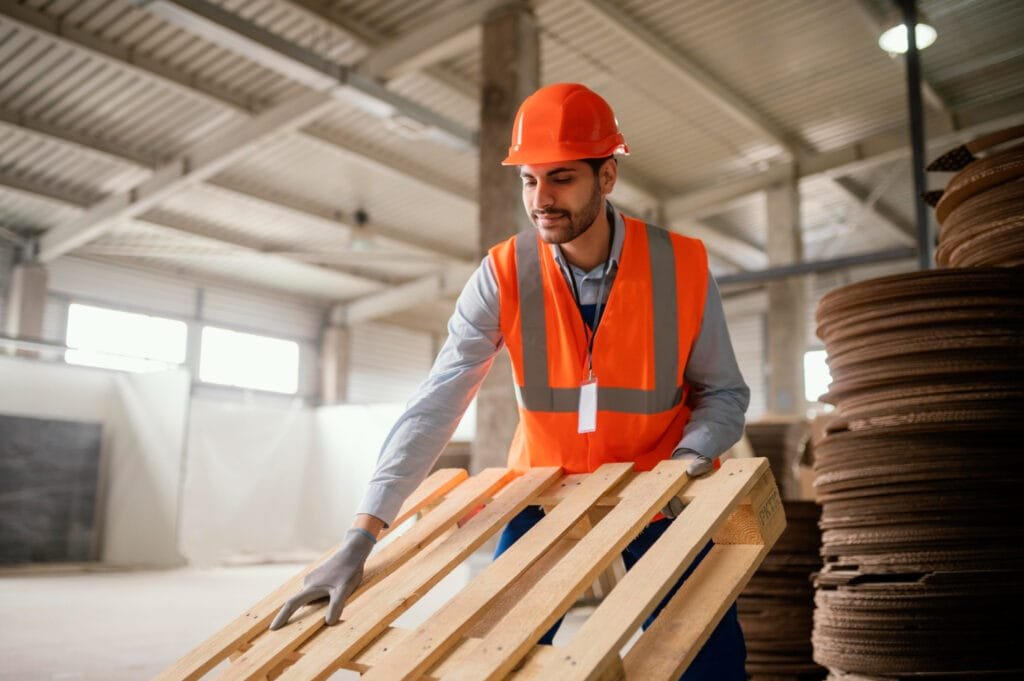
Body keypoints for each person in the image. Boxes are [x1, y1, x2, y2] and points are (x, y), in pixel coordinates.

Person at [270, 82, 750, 680]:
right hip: (546, 490)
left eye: (562, 178)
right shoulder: (503, 272)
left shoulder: (680, 265)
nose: (541, 198)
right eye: (528, 179)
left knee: (710, 661)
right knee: (494, 654)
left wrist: (685, 464)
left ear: (607, 178)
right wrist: (361, 535)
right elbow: (436, 402)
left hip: (661, 492)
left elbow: (725, 394)